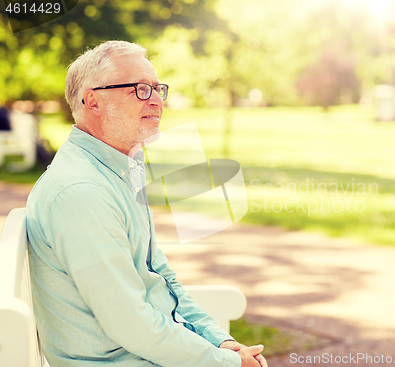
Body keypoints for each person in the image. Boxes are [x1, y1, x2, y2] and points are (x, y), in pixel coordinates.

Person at [26, 40, 267, 367]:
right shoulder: (82, 192)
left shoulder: (121, 169)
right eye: (139, 89)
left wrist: (220, 341)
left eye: (157, 89)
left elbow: (159, 274)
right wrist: (226, 362)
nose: (156, 101)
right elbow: (130, 324)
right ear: (93, 101)